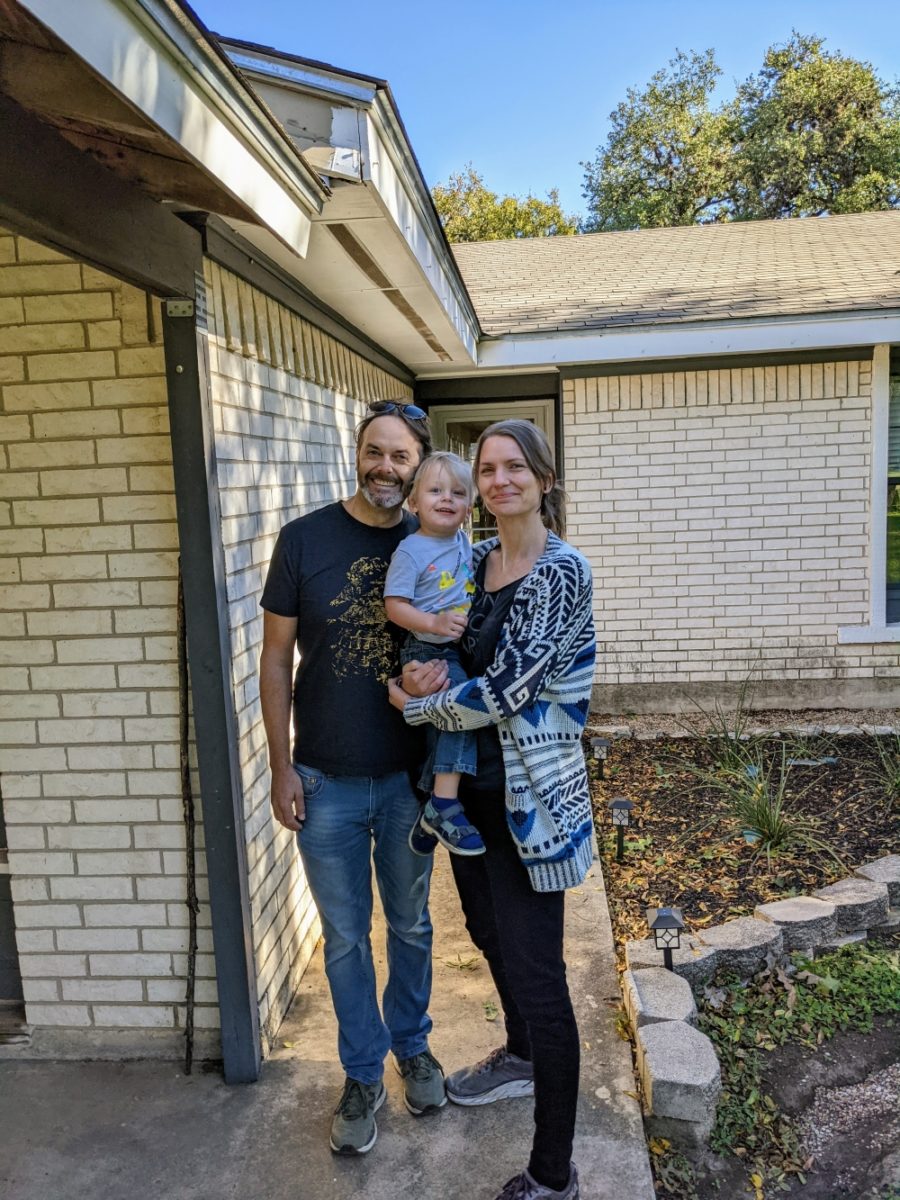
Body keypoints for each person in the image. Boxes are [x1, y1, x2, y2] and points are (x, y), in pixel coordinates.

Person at [389, 419, 596, 1200]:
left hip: (531, 802)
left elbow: (506, 691)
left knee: (541, 975)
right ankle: (521, 1054)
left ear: (544, 480)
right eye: (488, 468)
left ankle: (553, 1174)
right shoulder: (475, 561)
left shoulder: (561, 571)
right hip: (468, 796)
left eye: (516, 467)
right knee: (484, 931)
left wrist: (412, 708)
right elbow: (435, 652)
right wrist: (412, 679)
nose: (499, 479)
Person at [259, 400, 447, 1157]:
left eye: (401, 456)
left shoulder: (434, 539)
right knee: (344, 939)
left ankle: (414, 1047)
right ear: (358, 452)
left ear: (421, 463)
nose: (386, 467)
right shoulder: (304, 540)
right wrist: (279, 766)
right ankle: (363, 1073)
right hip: (325, 782)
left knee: (410, 926)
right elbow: (275, 659)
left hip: (407, 779)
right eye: (375, 451)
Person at [384, 451, 484, 857]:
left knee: (444, 724)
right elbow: (395, 605)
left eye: (458, 493)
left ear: (470, 505)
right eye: (435, 491)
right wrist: (435, 624)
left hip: (455, 648)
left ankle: (431, 809)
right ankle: (443, 803)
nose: (447, 499)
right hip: (426, 647)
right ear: (414, 503)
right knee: (462, 711)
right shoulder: (411, 550)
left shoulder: (464, 540)